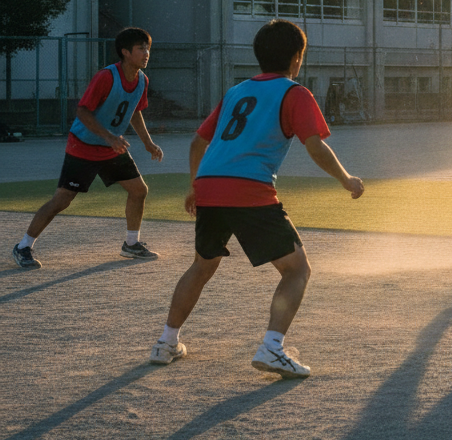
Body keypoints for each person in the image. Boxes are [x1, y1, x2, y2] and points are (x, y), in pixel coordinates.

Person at [148, 19, 364, 378]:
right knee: (297, 270)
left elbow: (198, 142)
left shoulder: (235, 92)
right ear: (297, 58)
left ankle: (166, 342)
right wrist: (346, 179)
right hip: (248, 189)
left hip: (210, 184)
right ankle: (272, 348)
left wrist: (194, 186)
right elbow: (315, 145)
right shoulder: (295, 93)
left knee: (202, 266)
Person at [12, 27, 163, 269]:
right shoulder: (106, 77)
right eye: (141, 48)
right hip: (84, 146)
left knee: (139, 190)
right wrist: (110, 137)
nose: (146, 53)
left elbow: (135, 111)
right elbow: (82, 110)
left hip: (111, 147)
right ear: (125, 52)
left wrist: (148, 143)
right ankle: (23, 246)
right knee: (62, 200)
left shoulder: (142, 80)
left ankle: (131, 244)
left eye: (148, 48)